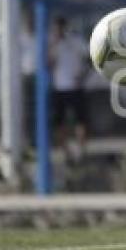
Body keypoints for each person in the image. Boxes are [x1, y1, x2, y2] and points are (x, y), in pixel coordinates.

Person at [49, 16, 90, 164]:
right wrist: (53, 46)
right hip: (59, 88)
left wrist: (83, 75)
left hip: (75, 87)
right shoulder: (52, 44)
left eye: (60, 28)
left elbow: (89, 57)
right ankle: (66, 152)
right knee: (59, 122)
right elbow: (49, 64)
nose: (58, 31)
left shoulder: (75, 41)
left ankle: (81, 151)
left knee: (81, 120)